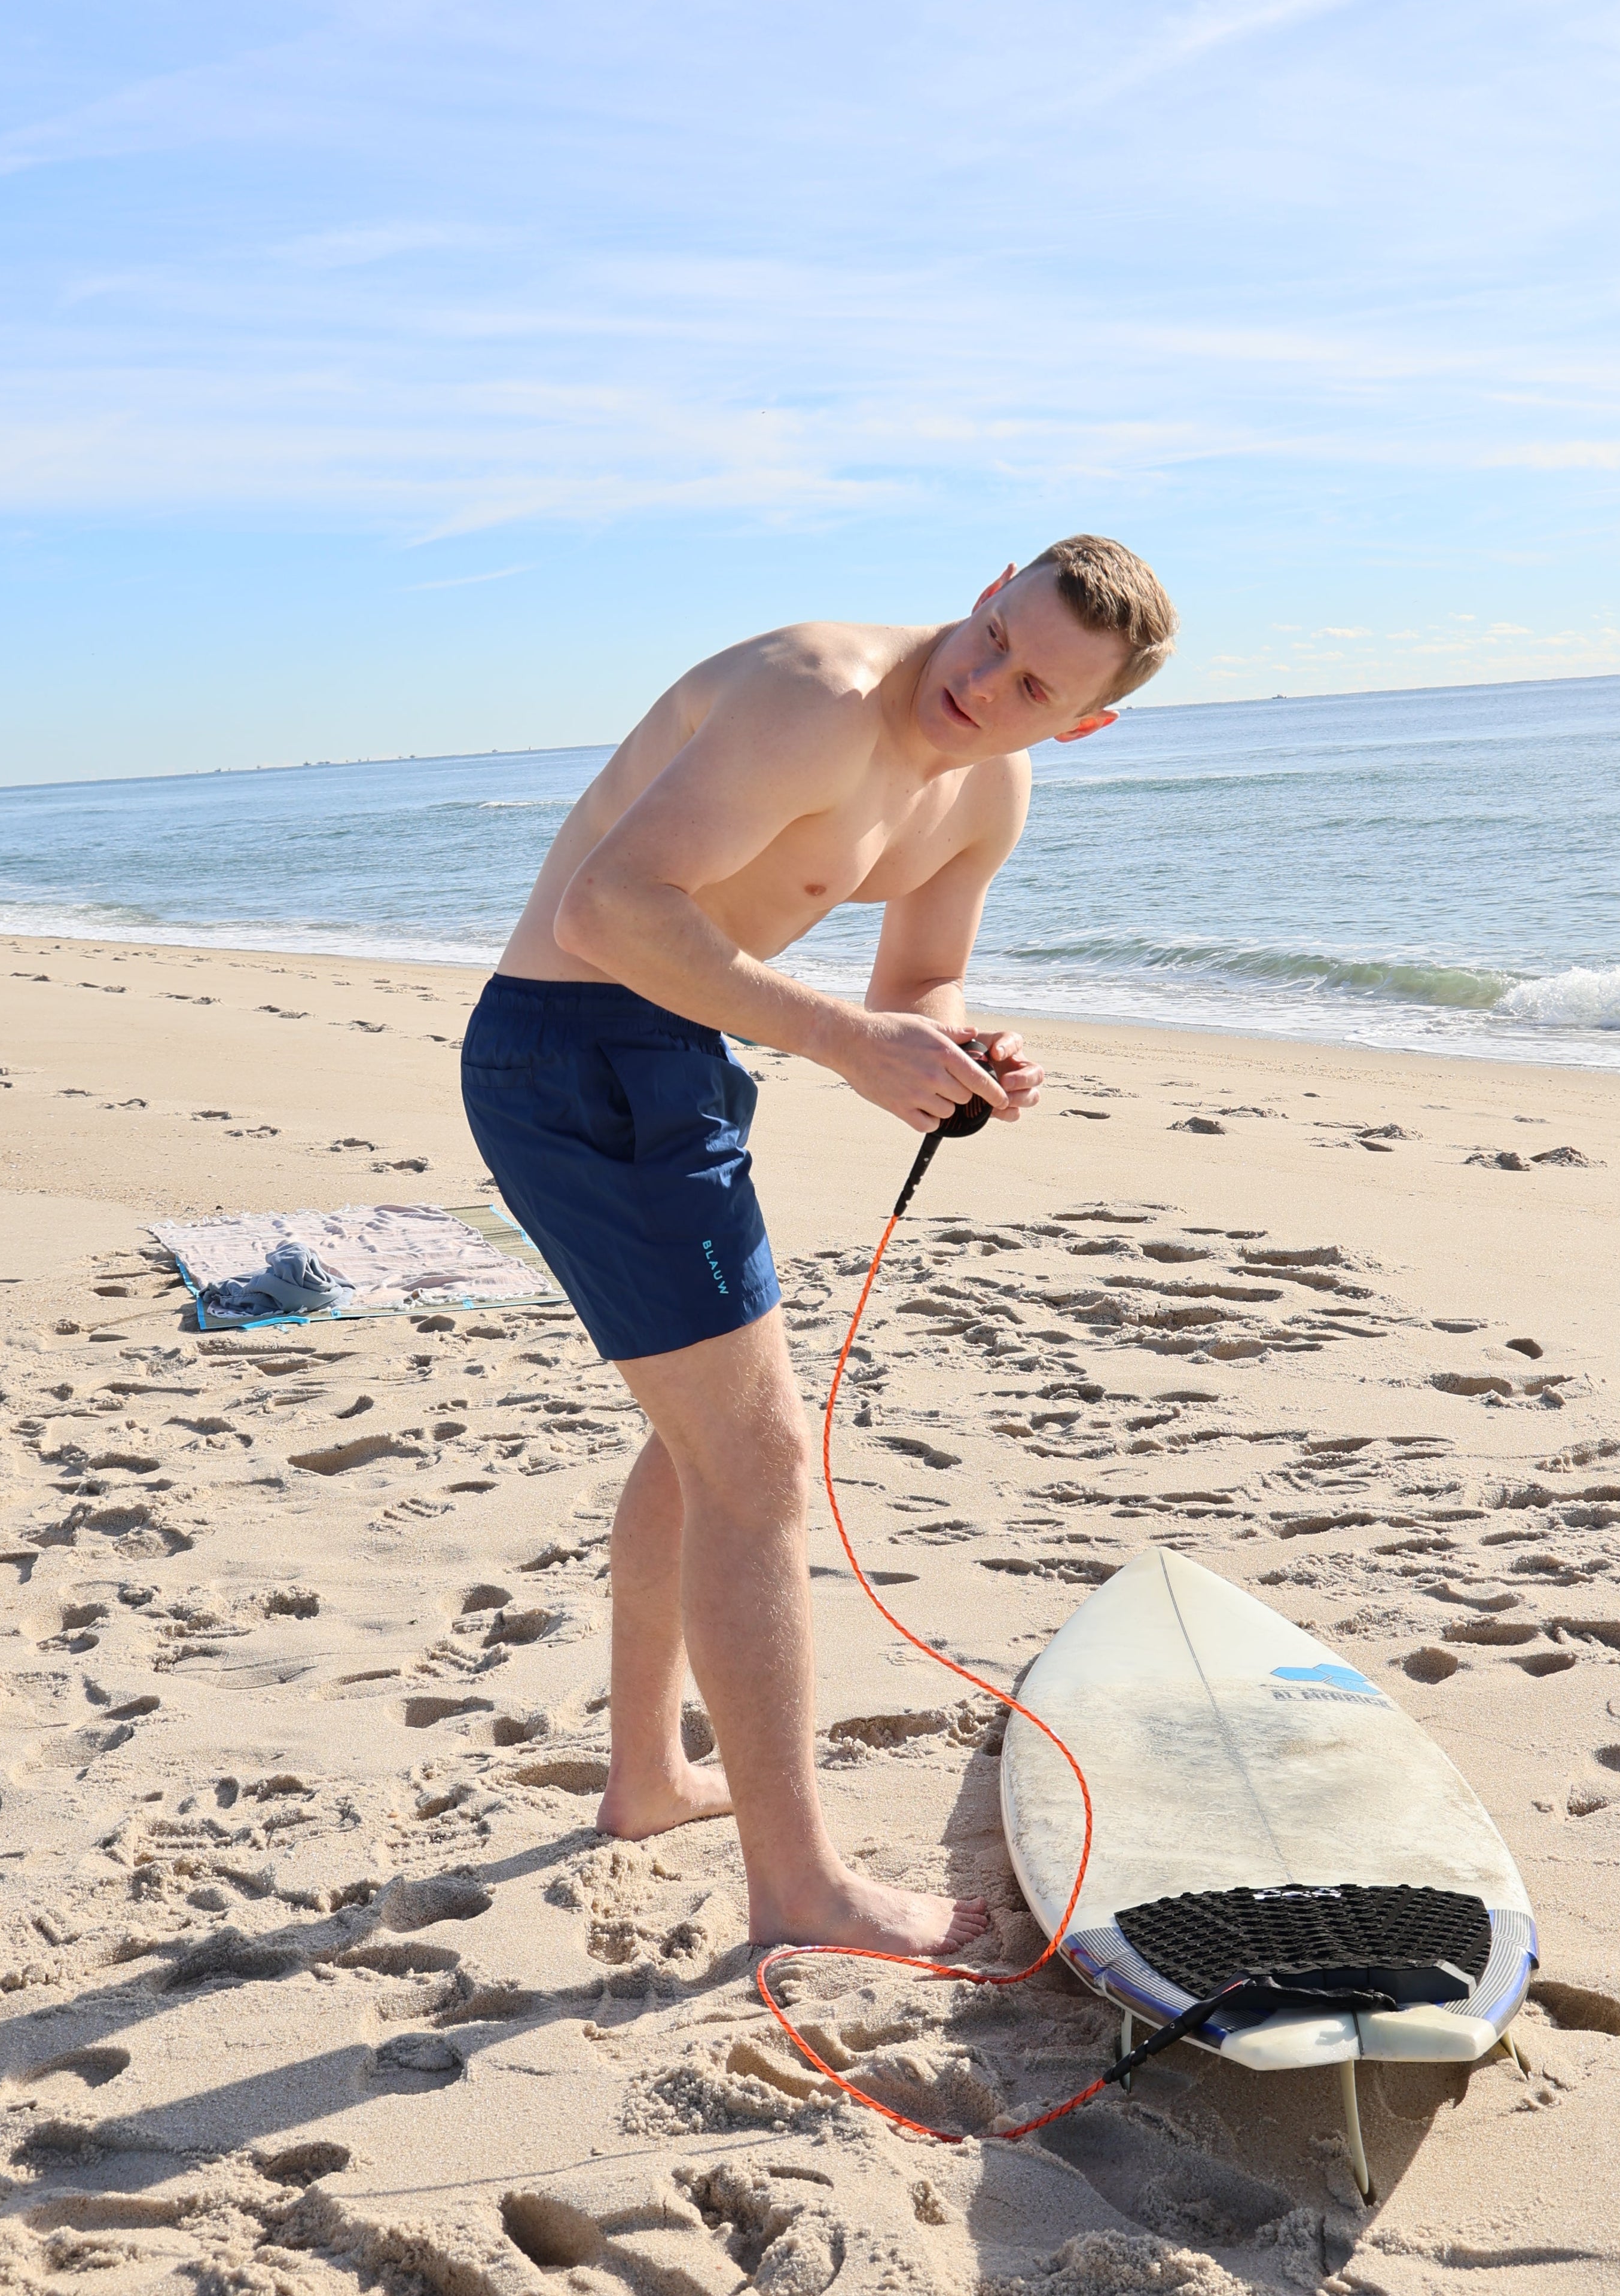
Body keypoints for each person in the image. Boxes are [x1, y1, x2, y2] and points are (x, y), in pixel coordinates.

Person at [462, 535, 1176, 1952]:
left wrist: (960, 1047)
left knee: (706, 1440)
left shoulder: (988, 786)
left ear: (1082, 723)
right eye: (993, 636)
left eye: (1034, 686)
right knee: (761, 1463)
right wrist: (844, 1042)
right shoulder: (819, 691)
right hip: (576, 1056)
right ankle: (801, 1890)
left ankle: (650, 1778)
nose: (985, 684)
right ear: (983, 593)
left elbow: (918, 976)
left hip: (677, 1056)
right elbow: (609, 909)